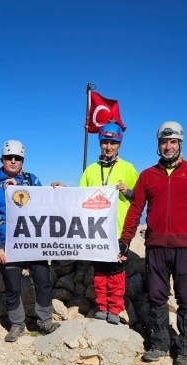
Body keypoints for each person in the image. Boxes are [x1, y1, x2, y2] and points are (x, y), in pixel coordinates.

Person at [118, 121, 187, 365]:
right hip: (156, 246)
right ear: (158, 145)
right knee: (157, 296)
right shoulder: (148, 175)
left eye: (173, 142)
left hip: (185, 246)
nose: (168, 146)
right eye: (164, 142)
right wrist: (125, 239)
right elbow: (136, 208)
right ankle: (159, 343)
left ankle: (184, 348)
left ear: (180, 144)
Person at [0, 140, 61, 342]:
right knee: (12, 285)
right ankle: (17, 324)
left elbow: (44, 205)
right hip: (8, 243)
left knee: (43, 281)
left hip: (34, 241)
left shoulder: (31, 179)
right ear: (2, 160)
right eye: (9, 157)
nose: (13, 161)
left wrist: (55, 190)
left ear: (22, 161)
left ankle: (45, 321)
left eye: (17, 158)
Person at [79, 122, 139, 324]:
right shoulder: (91, 170)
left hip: (119, 230)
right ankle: (101, 306)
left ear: (119, 144)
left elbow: (140, 198)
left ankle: (115, 308)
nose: (108, 147)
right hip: (96, 231)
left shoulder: (128, 168)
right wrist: (61, 191)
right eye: (105, 142)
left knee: (116, 270)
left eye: (113, 143)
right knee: (100, 270)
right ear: (100, 143)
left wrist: (128, 191)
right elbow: (79, 198)